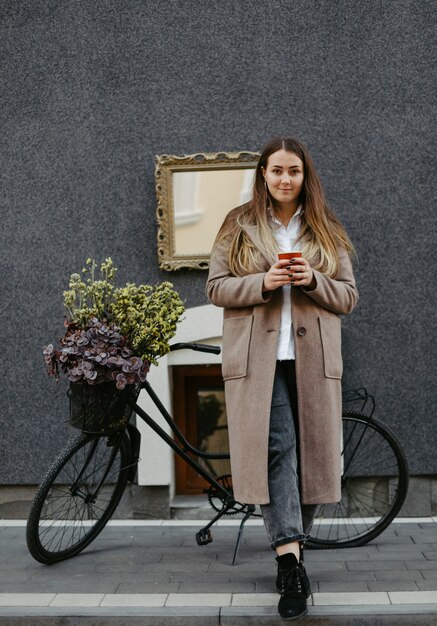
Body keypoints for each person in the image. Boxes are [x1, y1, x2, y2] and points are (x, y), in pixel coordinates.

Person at [206, 137, 359, 620]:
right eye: (276, 170)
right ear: (264, 174)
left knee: (313, 457)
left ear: (304, 175)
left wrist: (313, 279)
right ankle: (289, 563)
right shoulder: (239, 224)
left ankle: (291, 547)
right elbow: (215, 287)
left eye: (293, 170)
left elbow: (349, 297)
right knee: (278, 449)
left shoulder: (326, 228)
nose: (285, 179)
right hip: (259, 358)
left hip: (312, 358)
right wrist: (263, 283)